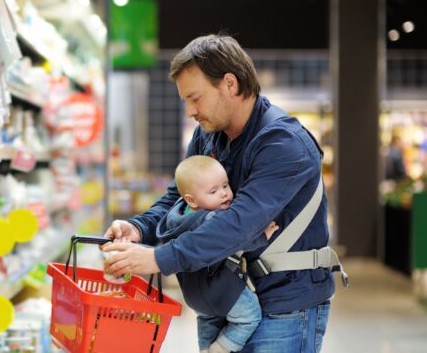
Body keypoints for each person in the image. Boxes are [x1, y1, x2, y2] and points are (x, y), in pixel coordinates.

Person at [103, 34, 339, 352]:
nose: (189, 111)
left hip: (284, 306)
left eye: (195, 98)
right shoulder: (209, 136)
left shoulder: (283, 144)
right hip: (227, 298)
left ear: (229, 83)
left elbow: (239, 223)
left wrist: (159, 258)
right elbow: (178, 198)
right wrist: (139, 228)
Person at [155, 155, 278, 353]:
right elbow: (236, 240)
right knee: (249, 318)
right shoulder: (214, 219)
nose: (224, 194)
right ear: (191, 200)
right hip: (222, 290)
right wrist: (262, 236)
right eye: (213, 191)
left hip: (194, 296)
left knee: (206, 321)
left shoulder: (175, 218)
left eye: (225, 185)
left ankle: (205, 349)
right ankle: (219, 349)